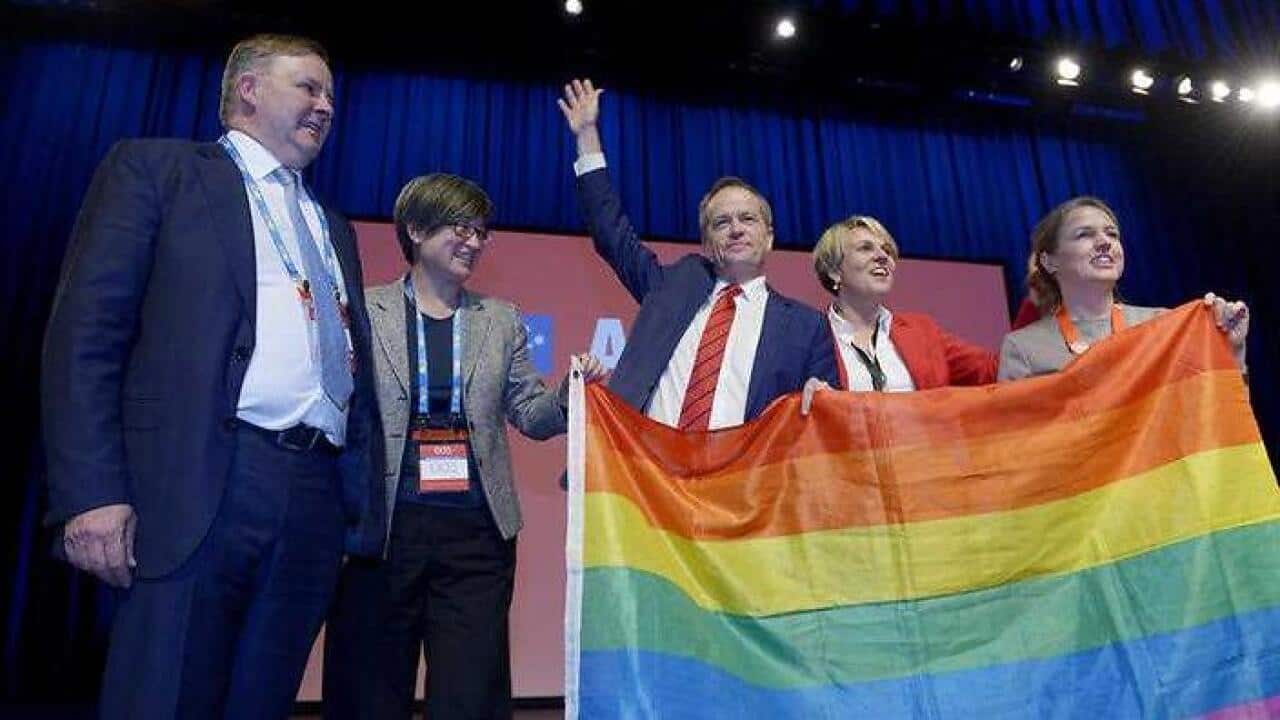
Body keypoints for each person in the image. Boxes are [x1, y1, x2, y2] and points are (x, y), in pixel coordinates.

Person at [40, 34, 384, 718]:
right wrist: (90, 493)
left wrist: (354, 510)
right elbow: (87, 337)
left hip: (311, 501)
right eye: (309, 88)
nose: (326, 106)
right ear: (248, 89)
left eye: (331, 96)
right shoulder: (158, 171)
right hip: (200, 486)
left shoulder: (332, 225)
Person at [323, 174, 606, 719]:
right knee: (368, 693)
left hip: (477, 536)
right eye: (461, 227)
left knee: (470, 697)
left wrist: (573, 392)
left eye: (481, 231)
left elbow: (530, 414)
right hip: (381, 534)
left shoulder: (499, 319)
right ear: (416, 229)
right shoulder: (363, 309)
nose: (474, 241)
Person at [558, 78, 838, 431]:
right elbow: (610, 232)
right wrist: (586, 136)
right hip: (649, 474)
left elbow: (824, 421)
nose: (736, 228)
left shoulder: (806, 327)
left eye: (748, 219)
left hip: (740, 481)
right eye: (722, 222)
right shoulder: (671, 286)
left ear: (769, 238)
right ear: (706, 243)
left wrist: (825, 400)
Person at [997, 196, 1249, 380]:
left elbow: (1215, 412)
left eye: (1112, 234)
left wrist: (1233, 350)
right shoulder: (1023, 348)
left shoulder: (1164, 324)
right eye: (1085, 234)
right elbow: (1016, 443)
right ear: (1049, 261)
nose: (1105, 242)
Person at [809, 215, 997, 395]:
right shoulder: (811, 339)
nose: (882, 256)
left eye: (887, 250)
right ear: (834, 271)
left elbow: (993, 369)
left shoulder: (923, 331)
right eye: (865, 248)